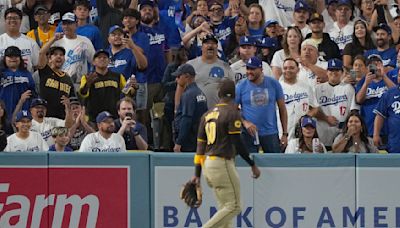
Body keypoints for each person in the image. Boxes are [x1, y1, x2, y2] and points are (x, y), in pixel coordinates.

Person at [192, 78, 260, 228]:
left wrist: (197, 174)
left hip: (208, 165)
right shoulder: (232, 112)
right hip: (222, 162)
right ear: (234, 95)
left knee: (225, 210)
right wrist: (252, 164)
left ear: (219, 94)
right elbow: (237, 142)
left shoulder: (207, 115)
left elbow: (200, 148)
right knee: (235, 206)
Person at [236, 56, 288, 153]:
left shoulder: (274, 84)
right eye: (248, 68)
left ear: (261, 69)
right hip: (249, 133)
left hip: (270, 133)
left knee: (274, 164)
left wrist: (285, 134)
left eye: (253, 69)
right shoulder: (240, 86)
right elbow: (233, 109)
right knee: (250, 165)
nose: (249, 72)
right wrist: (245, 122)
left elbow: (282, 109)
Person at [315, 58, 359, 149]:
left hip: (341, 134)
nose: (334, 73)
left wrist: (345, 127)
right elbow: (312, 110)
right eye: (331, 70)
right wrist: (326, 118)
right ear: (327, 72)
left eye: (337, 70)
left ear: (342, 72)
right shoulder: (317, 89)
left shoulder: (348, 88)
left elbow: (354, 111)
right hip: (322, 134)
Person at [79, 49, 129, 122]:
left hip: (114, 116)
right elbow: (83, 94)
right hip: (94, 117)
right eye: (99, 57)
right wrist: (88, 84)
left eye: (105, 57)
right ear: (93, 62)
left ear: (109, 61)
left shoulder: (118, 76)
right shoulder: (87, 77)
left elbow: (127, 92)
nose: (102, 59)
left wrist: (133, 87)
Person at [355, 54, 396, 143]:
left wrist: (383, 76)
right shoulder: (363, 82)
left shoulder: (389, 79)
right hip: (369, 127)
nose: (375, 67)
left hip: (388, 128)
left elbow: (396, 94)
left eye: (377, 64)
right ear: (367, 68)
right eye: (371, 65)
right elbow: (358, 100)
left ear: (382, 65)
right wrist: (366, 84)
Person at [187, 33, 235, 108]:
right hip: (194, 110)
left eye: (213, 43)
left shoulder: (225, 67)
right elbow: (181, 87)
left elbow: (232, 90)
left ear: (217, 47)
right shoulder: (190, 65)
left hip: (218, 111)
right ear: (201, 47)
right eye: (207, 43)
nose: (210, 46)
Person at [37, 33, 76, 119]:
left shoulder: (67, 78)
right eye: (55, 54)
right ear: (49, 59)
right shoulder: (45, 71)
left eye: (61, 55)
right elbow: (41, 53)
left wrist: (69, 102)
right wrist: (54, 39)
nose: (59, 56)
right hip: (45, 117)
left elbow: (73, 99)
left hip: (62, 117)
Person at [278, 58, 319, 140]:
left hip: (302, 132)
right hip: (282, 132)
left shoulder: (306, 87)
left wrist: (307, 116)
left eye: (291, 68)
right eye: (285, 68)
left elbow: (315, 107)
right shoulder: (277, 87)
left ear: (298, 70)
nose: (288, 70)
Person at [52, 12, 95, 86]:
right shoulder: (57, 43)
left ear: (76, 24)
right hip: (61, 83)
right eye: (64, 24)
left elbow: (94, 61)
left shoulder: (85, 41)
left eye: (69, 23)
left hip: (80, 84)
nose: (66, 26)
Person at [173, 64, 208, 152]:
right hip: (199, 138)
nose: (176, 79)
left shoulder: (189, 94)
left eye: (178, 76)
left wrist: (179, 142)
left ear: (186, 76)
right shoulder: (200, 93)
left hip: (189, 140)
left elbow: (186, 119)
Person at [0, 46, 36, 119]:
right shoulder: (1, 73)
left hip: (23, 113)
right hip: (4, 112)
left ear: (20, 58)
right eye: (10, 56)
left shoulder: (27, 73)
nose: (13, 59)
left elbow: (33, 91)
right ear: (5, 58)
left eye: (16, 56)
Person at [0, 7, 40, 73]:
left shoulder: (30, 42)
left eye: (15, 18)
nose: (12, 20)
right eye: (9, 18)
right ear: (5, 20)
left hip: (27, 81)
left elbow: (38, 65)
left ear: (21, 21)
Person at [373, 73, 400, 153]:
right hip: (395, 140)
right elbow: (379, 115)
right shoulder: (389, 93)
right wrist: (376, 134)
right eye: (399, 75)